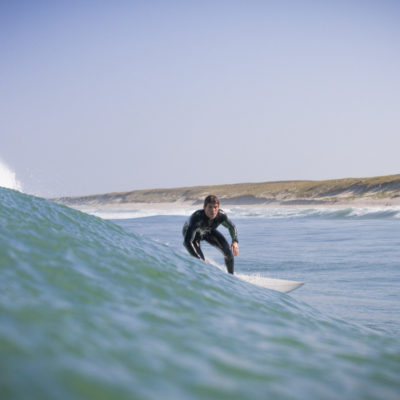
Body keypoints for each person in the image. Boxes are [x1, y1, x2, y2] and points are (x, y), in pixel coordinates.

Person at [182, 195, 239, 274]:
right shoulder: (196, 219)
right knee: (200, 262)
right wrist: (200, 259)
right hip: (194, 235)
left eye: (215, 207)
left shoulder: (221, 216)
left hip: (208, 231)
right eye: (210, 207)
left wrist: (235, 241)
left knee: (229, 254)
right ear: (204, 207)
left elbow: (231, 227)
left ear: (218, 207)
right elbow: (187, 242)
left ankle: (231, 278)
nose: (213, 210)